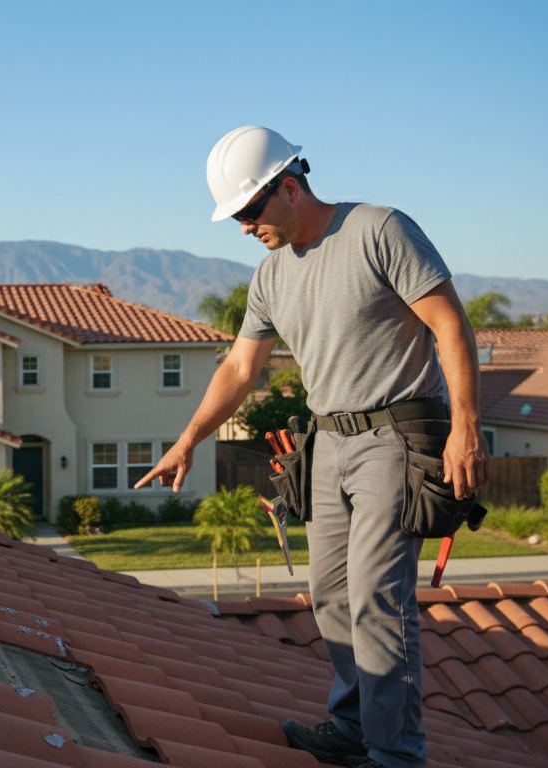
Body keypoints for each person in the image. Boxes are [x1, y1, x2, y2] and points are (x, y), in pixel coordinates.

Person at [135, 126, 490, 768]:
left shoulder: (379, 230)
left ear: (289, 188)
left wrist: (466, 425)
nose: (244, 229)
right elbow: (239, 370)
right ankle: (354, 726)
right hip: (325, 442)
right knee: (329, 594)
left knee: (378, 598)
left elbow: (449, 323)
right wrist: (187, 440)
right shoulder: (271, 276)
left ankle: (396, 754)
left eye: (248, 212)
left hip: (396, 438)